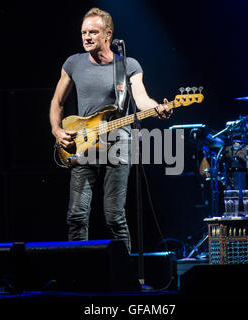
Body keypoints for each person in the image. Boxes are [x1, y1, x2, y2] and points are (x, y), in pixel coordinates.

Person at [49, 7, 172, 252]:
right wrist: (56, 130)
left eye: (93, 32)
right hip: (82, 144)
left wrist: (158, 107)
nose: (86, 37)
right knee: (76, 215)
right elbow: (57, 102)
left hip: (118, 143)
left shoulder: (128, 65)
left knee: (114, 216)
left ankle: (125, 275)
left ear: (108, 35)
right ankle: (79, 276)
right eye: (84, 32)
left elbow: (142, 99)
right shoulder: (73, 63)